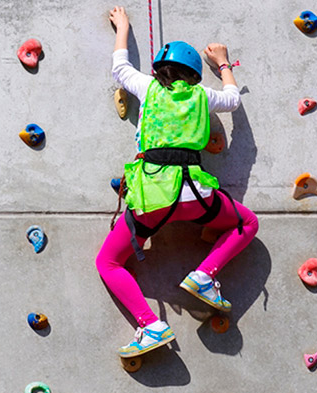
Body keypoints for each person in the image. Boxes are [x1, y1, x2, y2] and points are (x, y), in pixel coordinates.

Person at [96, 6, 259, 359]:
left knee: (108, 262)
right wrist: (224, 63)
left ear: (158, 69)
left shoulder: (148, 87)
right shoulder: (202, 96)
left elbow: (120, 69)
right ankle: (204, 274)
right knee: (247, 222)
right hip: (195, 196)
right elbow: (232, 100)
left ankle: (150, 325)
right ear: (195, 76)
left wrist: (122, 27)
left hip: (152, 199)